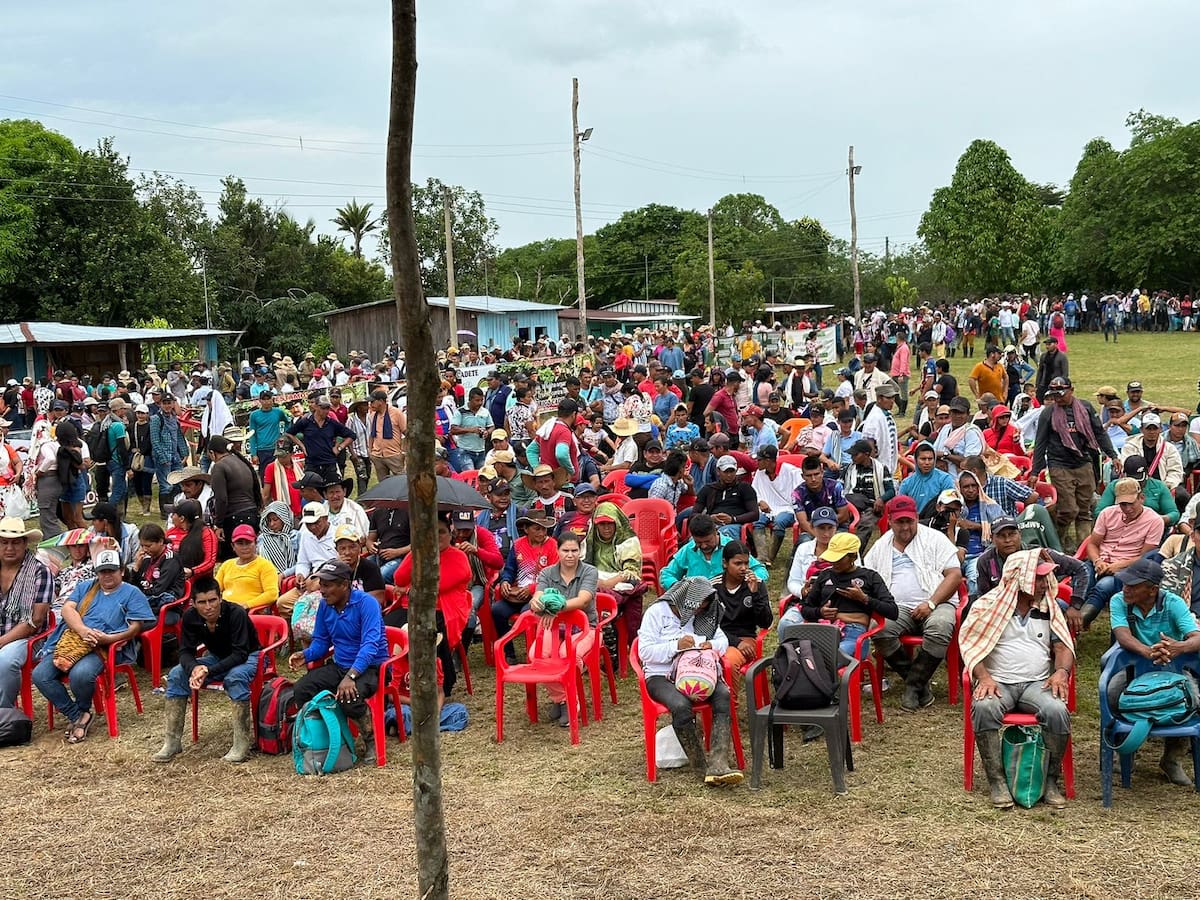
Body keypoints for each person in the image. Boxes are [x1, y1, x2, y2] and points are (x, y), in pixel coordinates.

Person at [960, 549, 1075, 808]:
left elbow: (1062, 646)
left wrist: (1061, 672)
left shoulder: (1049, 607)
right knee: (984, 706)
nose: (1044, 583)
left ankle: (1050, 781)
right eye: (1038, 578)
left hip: (1037, 683)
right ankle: (997, 781)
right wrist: (984, 677)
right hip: (999, 681)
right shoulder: (987, 607)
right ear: (1019, 579)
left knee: (1057, 710)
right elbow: (971, 647)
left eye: (1045, 578)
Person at [33, 549, 155, 744]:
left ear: (122, 571)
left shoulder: (132, 593)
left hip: (103, 647)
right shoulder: (85, 587)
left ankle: (81, 710)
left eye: (111, 570)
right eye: (102, 571)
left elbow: (135, 628)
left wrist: (108, 639)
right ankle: (78, 715)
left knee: (80, 675)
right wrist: (83, 631)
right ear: (97, 572)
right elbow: (67, 609)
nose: (106, 575)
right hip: (72, 641)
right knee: (40, 675)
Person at [636, 576, 743, 786]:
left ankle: (719, 762)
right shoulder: (656, 613)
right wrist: (677, 646)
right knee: (680, 705)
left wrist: (709, 644)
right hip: (661, 675)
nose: (699, 610)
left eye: (704, 605)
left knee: (722, 694)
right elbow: (644, 652)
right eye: (697, 605)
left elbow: (722, 640)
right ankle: (700, 766)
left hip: (698, 671)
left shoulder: (704, 615)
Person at [863, 495, 964, 711]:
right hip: (897, 607)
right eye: (900, 522)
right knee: (879, 630)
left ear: (917, 518)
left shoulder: (935, 539)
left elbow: (954, 575)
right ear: (889, 520)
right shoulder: (880, 547)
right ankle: (919, 684)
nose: (905, 526)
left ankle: (913, 686)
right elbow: (869, 581)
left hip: (937, 601)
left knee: (940, 627)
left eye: (909, 521)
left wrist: (931, 603)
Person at [1107, 557, 1200, 787]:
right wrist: (1147, 651)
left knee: (1191, 700)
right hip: (1134, 667)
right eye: (1125, 583)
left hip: (1173, 669)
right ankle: (1124, 751)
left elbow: (1196, 637)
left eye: (1133, 585)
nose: (1126, 589)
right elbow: (1122, 635)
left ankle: (1172, 760)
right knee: (1111, 693)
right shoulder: (1119, 600)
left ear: (1152, 590)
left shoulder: (1173, 603)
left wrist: (1178, 647)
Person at [153, 575, 264, 764]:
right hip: (216, 656)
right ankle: (172, 742)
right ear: (193, 603)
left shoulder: (236, 613)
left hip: (250, 656)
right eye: (202, 602)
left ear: (220, 598)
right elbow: (186, 651)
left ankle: (241, 743)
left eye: (213, 600)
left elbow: (240, 654)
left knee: (235, 677)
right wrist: (195, 668)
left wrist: (207, 671)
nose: (208, 606)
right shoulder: (190, 616)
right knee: (176, 674)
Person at [289, 559, 388, 757]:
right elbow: (321, 642)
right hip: (341, 665)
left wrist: (350, 676)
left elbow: (370, 646)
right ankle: (321, 737)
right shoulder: (325, 605)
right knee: (301, 689)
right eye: (321, 585)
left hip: (371, 667)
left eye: (327, 585)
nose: (322, 590)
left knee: (348, 698)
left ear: (344, 585)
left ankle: (371, 739)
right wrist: (305, 654)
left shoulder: (367, 604)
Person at [1031, 376, 1115, 553]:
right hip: (1059, 464)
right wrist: (1035, 470)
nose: (1058, 399)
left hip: (1083, 462)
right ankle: (1058, 541)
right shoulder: (1048, 413)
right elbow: (1040, 443)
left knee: (1084, 509)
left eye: (1061, 394)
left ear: (1072, 390)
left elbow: (1099, 433)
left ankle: (1083, 549)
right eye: (1054, 395)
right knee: (1068, 509)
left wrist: (1113, 455)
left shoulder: (1085, 408)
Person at [392, 516, 473, 695]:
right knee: (387, 629)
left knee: (428, 633)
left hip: (443, 610)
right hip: (412, 606)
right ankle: (395, 681)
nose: (436, 537)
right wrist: (417, 553)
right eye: (431, 533)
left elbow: (433, 588)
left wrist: (409, 589)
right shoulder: (420, 553)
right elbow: (399, 577)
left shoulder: (458, 557)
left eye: (441, 532)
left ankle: (440, 684)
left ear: (450, 534)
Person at [530, 533, 599, 726]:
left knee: (566, 654)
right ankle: (562, 698)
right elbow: (537, 597)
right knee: (537, 654)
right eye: (565, 550)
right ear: (557, 551)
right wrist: (537, 604)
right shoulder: (546, 573)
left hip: (585, 629)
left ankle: (567, 702)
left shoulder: (590, 571)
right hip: (554, 629)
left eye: (574, 550)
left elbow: (583, 600)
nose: (570, 555)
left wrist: (555, 608)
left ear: (580, 551)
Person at [973, 517, 1089, 629]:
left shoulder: (1039, 554)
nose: (1007, 540)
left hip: (1039, 605)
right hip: (1000, 610)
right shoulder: (985, 561)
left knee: (1060, 607)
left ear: (1020, 534)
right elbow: (983, 596)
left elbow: (1080, 568)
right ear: (992, 538)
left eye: (1012, 534)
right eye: (1001, 536)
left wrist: (1075, 605)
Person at [1080, 477, 1164, 627]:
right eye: (1123, 504)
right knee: (1081, 581)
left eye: (1131, 503)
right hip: (1100, 561)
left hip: (1128, 568)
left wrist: (1119, 566)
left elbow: (1145, 557)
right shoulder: (1107, 513)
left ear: (1142, 498)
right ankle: (1072, 618)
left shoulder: (1154, 521)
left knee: (1103, 586)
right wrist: (1097, 561)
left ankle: (1080, 622)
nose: (1127, 508)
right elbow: (1092, 544)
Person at [798, 532, 898, 658]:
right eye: (832, 558)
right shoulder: (824, 575)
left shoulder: (870, 577)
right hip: (824, 629)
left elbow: (892, 611)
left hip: (854, 632)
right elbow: (805, 609)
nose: (834, 562)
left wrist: (864, 599)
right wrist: (820, 612)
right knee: (803, 656)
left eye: (839, 558)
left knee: (828, 657)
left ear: (853, 557)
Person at [492, 512, 559, 664]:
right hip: (516, 594)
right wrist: (505, 582)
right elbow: (509, 569)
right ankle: (508, 652)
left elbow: (553, 577)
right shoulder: (517, 545)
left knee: (526, 614)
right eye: (537, 529)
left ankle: (534, 654)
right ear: (526, 529)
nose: (542, 532)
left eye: (544, 529)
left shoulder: (553, 546)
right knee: (497, 610)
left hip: (539, 595)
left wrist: (532, 588)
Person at [0, 518, 53, 709]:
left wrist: (1, 641)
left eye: (15, 542)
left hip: (31, 638)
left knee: (5, 660)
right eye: (4, 542)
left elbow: (35, 621)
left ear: (24, 544)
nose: (9, 548)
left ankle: (4, 711)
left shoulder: (40, 571)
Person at [660, 513, 767, 589]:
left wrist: (752, 581)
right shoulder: (688, 549)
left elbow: (759, 569)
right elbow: (667, 574)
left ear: (716, 531)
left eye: (707, 541)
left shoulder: (731, 546)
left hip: (729, 601)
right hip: (696, 603)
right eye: (698, 542)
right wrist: (679, 588)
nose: (703, 546)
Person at [208, 434, 263, 558]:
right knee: (250, 558)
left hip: (234, 518)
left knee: (234, 561)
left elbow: (221, 499)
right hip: (252, 515)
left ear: (212, 453)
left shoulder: (219, 466)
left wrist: (218, 524)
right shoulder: (241, 462)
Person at [750, 445, 802, 567]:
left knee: (779, 522)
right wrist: (760, 501)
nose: (757, 462)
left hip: (787, 508)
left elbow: (799, 492)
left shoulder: (791, 471)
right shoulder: (760, 473)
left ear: (768, 461)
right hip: (767, 507)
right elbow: (755, 491)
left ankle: (770, 558)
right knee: (757, 521)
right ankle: (762, 557)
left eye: (759, 459)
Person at [285, 396, 355, 484]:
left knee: (332, 489)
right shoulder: (306, 422)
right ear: (316, 407)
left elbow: (351, 435)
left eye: (328, 408)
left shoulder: (331, 423)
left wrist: (339, 447)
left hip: (329, 462)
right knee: (312, 491)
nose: (326, 411)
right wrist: (302, 446)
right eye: (323, 408)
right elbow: (289, 433)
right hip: (312, 463)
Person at [126, 522, 187, 618]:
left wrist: (138, 595)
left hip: (166, 607)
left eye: (148, 546)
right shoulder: (146, 559)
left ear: (161, 541)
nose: (145, 550)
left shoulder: (171, 559)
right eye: (142, 546)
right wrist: (136, 568)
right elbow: (132, 585)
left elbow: (157, 591)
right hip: (146, 602)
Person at [842, 438, 895, 543]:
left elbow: (891, 491)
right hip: (852, 503)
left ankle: (855, 552)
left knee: (866, 524)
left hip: (873, 505)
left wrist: (881, 499)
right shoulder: (849, 468)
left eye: (855, 455)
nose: (852, 457)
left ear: (866, 454)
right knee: (842, 522)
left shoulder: (880, 469)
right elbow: (840, 486)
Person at [692, 455, 759, 540]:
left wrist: (733, 519)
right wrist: (709, 518)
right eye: (726, 472)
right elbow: (694, 514)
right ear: (718, 471)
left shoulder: (745, 488)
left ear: (736, 471)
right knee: (696, 539)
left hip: (735, 525)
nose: (729, 475)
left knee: (724, 535)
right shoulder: (708, 489)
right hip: (711, 525)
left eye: (732, 471)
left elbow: (755, 514)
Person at [215, 524, 280, 611]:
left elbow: (272, 594)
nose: (245, 547)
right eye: (240, 543)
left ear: (255, 543)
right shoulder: (227, 565)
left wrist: (247, 605)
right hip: (225, 610)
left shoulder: (265, 566)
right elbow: (215, 589)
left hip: (250, 612)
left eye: (248, 543)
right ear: (233, 546)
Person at [792, 455, 851, 541]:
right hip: (812, 529)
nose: (813, 479)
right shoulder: (797, 493)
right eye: (809, 475)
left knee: (840, 542)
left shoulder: (835, 486)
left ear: (822, 473)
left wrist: (826, 530)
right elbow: (803, 522)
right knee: (804, 541)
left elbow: (844, 515)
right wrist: (820, 535)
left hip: (837, 527)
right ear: (802, 476)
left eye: (816, 474)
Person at [898, 441, 956, 517]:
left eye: (930, 459)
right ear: (916, 459)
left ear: (934, 459)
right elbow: (900, 507)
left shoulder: (944, 479)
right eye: (923, 459)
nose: (927, 462)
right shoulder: (907, 483)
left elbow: (949, 505)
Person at [169, 499, 218, 581]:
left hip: (200, 584)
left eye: (173, 514)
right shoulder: (171, 532)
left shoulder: (206, 533)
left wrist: (193, 571)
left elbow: (210, 561)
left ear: (181, 518)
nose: (171, 517)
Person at [248, 390, 290, 480]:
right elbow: (252, 435)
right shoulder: (254, 415)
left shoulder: (278, 412)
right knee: (265, 477)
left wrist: (284, 435)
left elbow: (287, 422)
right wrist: (253, 453)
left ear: (272, 399)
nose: (267, 402)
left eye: (269, 399)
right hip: (262, 450)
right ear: (260, 400)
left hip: (276, 449)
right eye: (264, 399)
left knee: (280, 475)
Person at [860, 381, 900, 473]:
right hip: (879, 468)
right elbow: (869, 444)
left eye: (893, 397)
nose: (892, 401)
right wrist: (873, 468)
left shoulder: (886, 414)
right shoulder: (874, 417)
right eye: (888, 398)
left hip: (888, 466)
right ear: (879, 399)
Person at [257, 500, 299, 574]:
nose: (272, 524)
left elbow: (303, 562)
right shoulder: (263, 538)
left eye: (275, 520)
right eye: (269, 521)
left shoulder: (295, 536)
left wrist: (285, 574)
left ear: (284, 518)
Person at [1033, 336, 1069, 402]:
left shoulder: (1062, 357)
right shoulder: (1043, 356)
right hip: (1043, 384)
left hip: (1055, 385)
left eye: (1049, 344)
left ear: (1055, 344)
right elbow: (1040, 371)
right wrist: (1037, 384)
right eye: (1046, 344)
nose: (1047, 346)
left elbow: (1065, 373)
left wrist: (1061, 385)